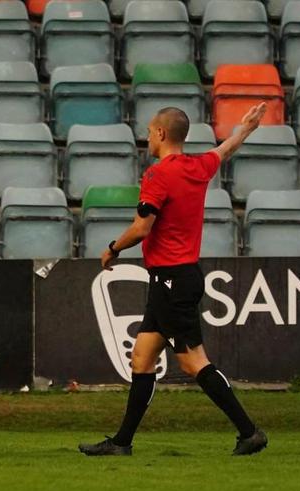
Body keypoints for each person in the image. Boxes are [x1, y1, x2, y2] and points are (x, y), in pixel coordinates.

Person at [79, 104, 269, 457]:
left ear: (162, 134)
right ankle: (121, 443)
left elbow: (142, 227)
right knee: (142, 357)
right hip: (176, 278)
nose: (147, 137)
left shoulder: (157, 175)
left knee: (193, 362)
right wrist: (246, 129)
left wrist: (112, 249)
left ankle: (249, 431)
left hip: (171, 279)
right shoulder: (198, 166)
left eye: (150, 131)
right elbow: (224, 149)